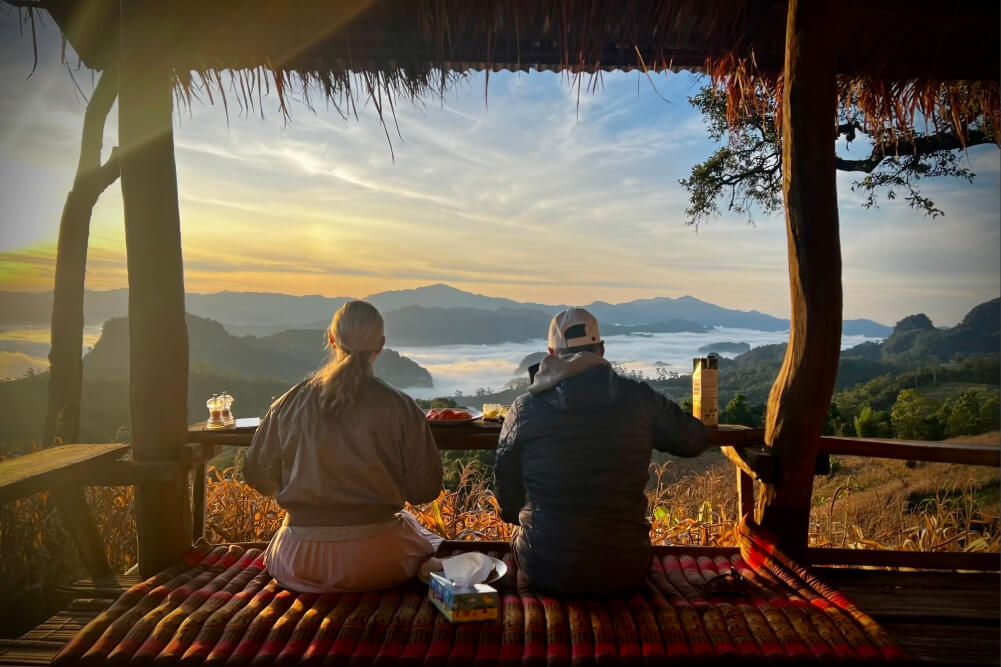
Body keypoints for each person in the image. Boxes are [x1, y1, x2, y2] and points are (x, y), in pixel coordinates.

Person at [495, 307, 709, 596]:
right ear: (602, 349)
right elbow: (694, 441)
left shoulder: (524, 408)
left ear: (551, 353)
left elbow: (507, 495)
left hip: (547, 569)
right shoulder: (640, 398)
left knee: (526, 532)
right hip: (626, 568)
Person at [244, 300, 443, 593]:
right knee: (422, 535)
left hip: (298, 561)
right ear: (381, 344)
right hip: (377, 560)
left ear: (332, 339)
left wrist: (305, 495)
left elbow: (256, 475)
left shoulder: (288, 404)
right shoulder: (400, 407)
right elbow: (425, 490)